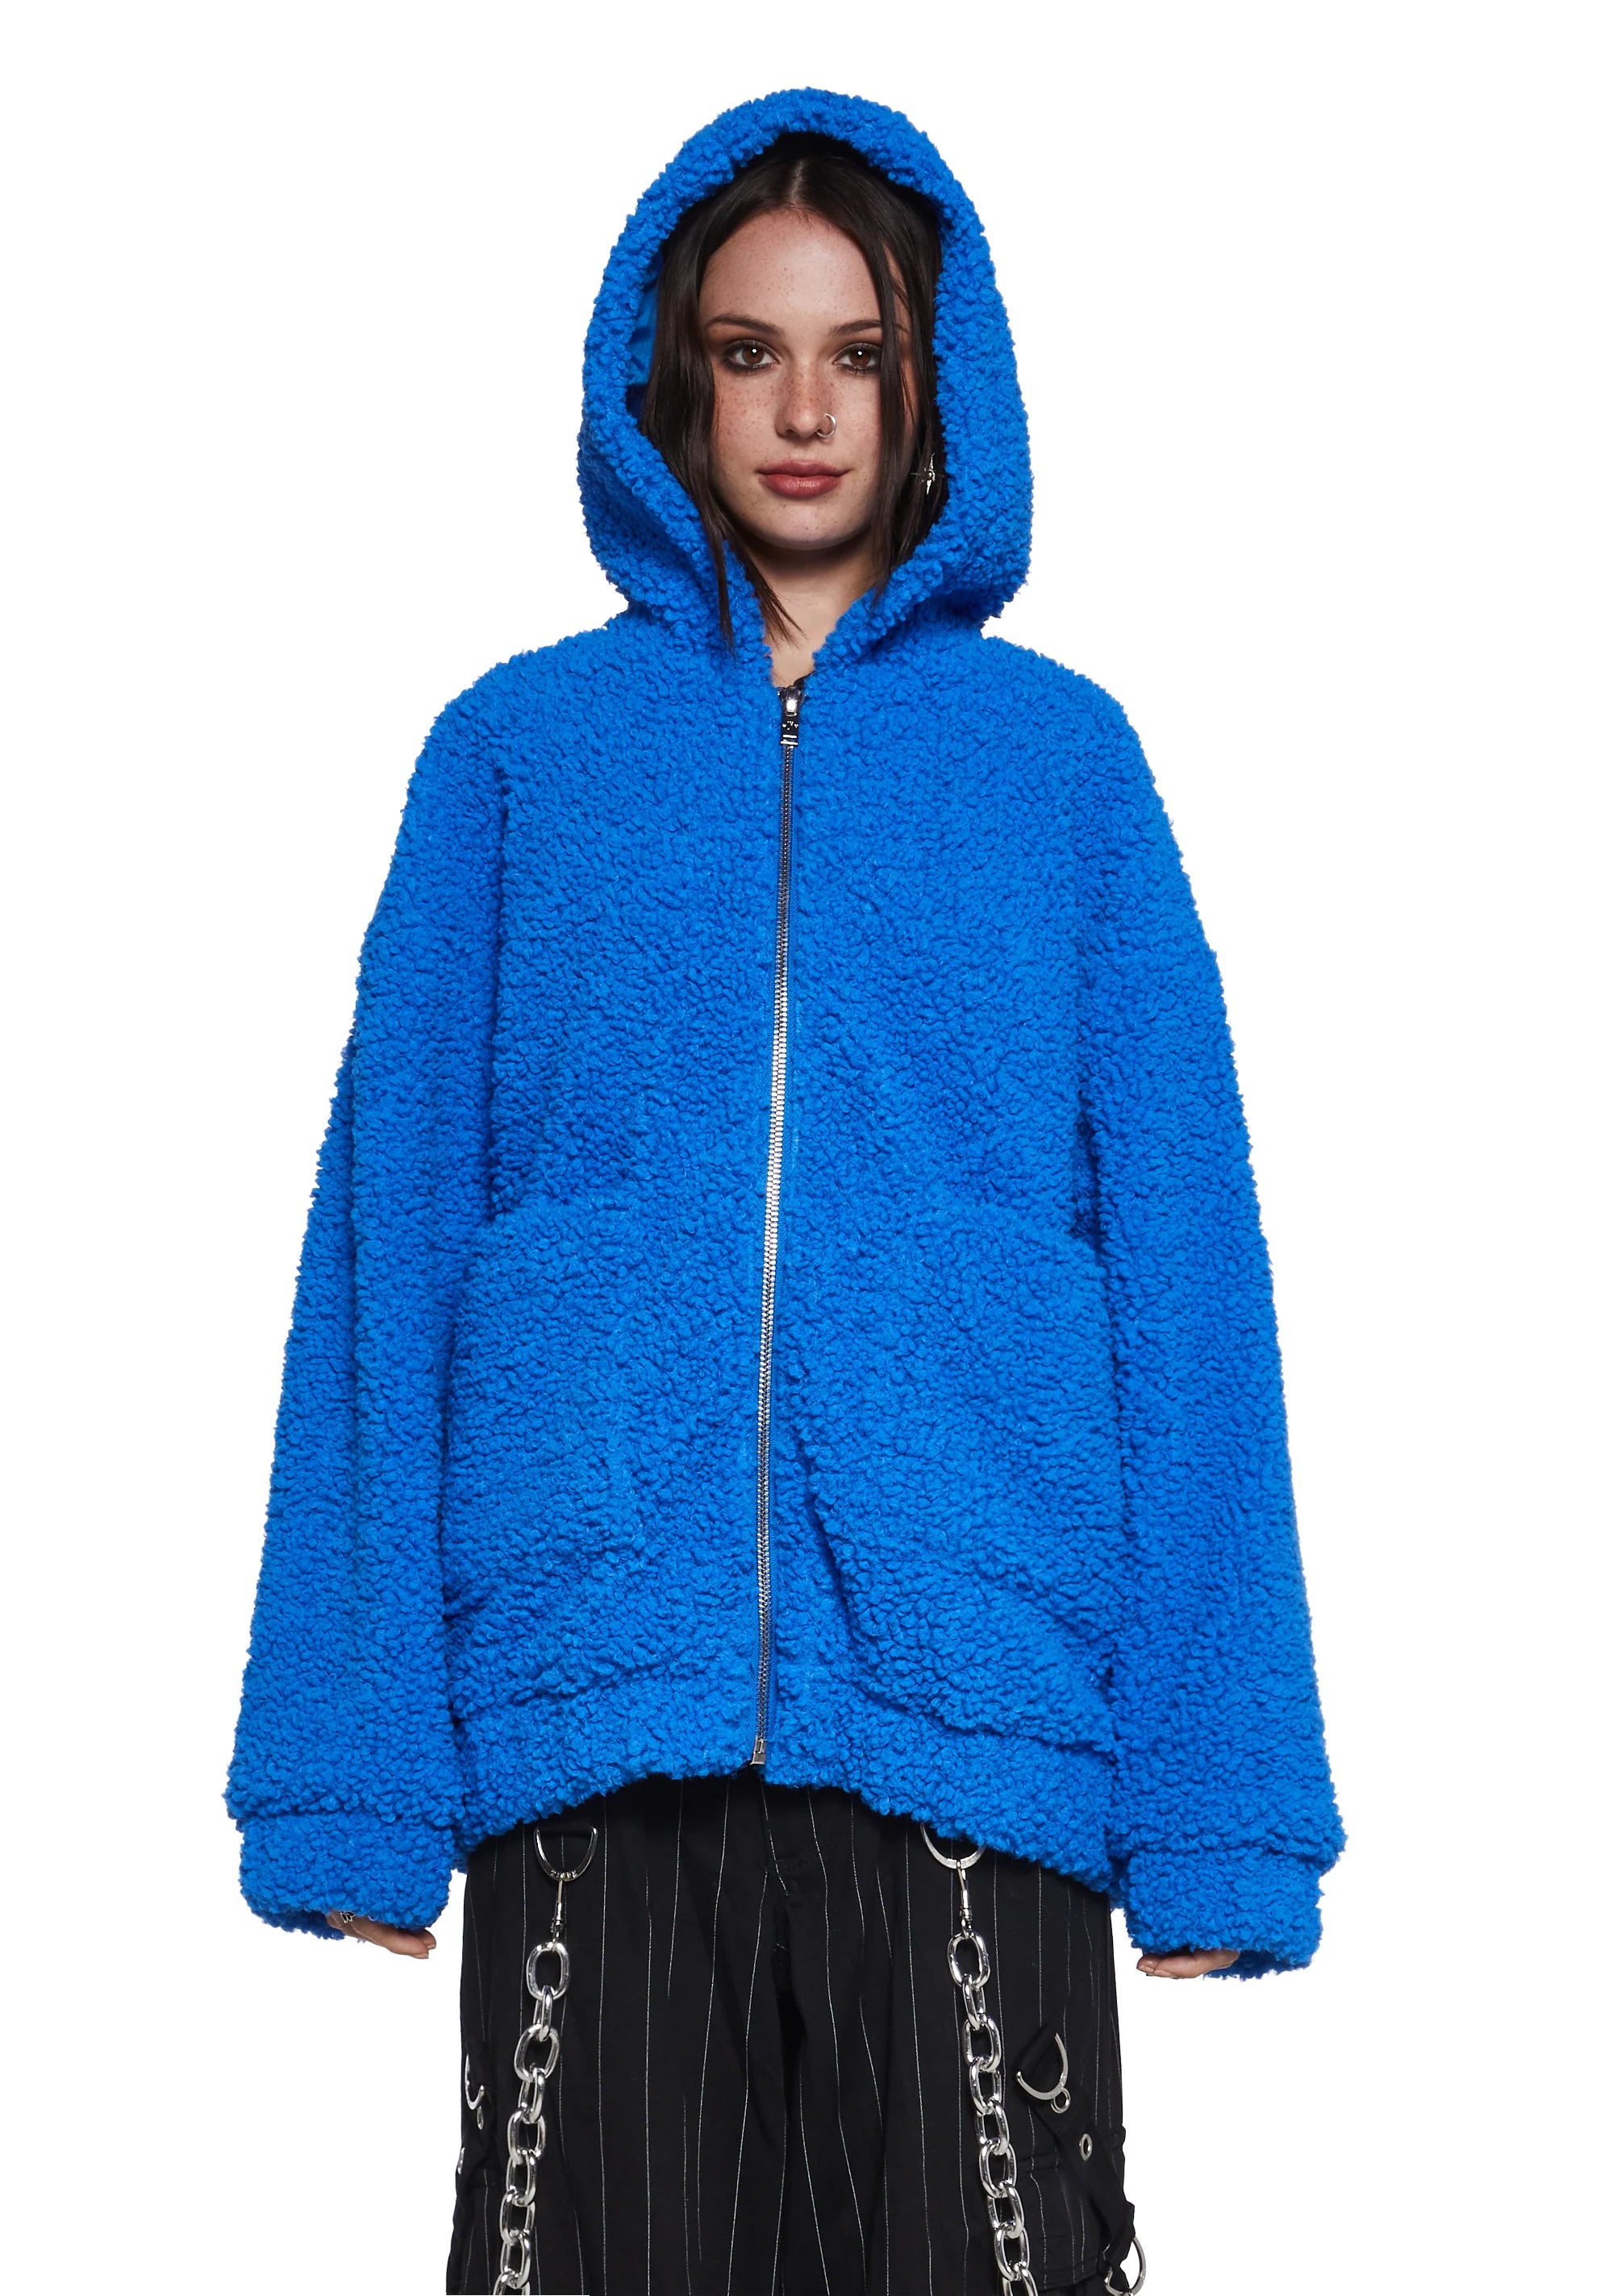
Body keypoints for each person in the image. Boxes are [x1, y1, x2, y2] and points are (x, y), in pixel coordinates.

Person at [226, 89, 1344, 2296]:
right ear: (672, 382)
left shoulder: (1062, 769)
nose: (806, 412)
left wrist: (1220, 1803)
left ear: (939, 388)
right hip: (592, 1727)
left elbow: (1191, 1277)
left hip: (977, 1735)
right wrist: (349, 1769)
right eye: (751, 352)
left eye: (859, 356)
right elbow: (383, 1251)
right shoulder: (519, 757)